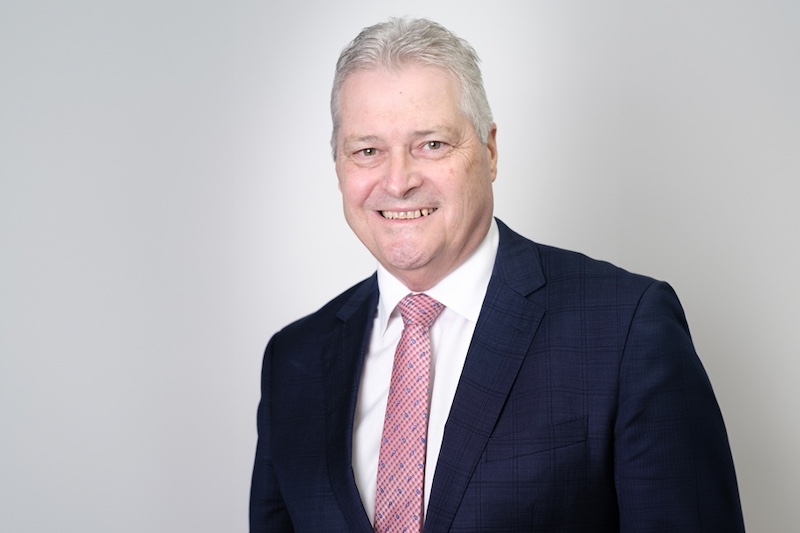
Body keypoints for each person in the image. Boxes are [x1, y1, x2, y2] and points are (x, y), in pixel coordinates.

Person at [249, 17, 744, 532]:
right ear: (338, 166)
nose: (397, 182)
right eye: (367, 151)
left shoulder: (626, 330)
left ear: (488, 151)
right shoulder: (294, 361)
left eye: (432, 144)